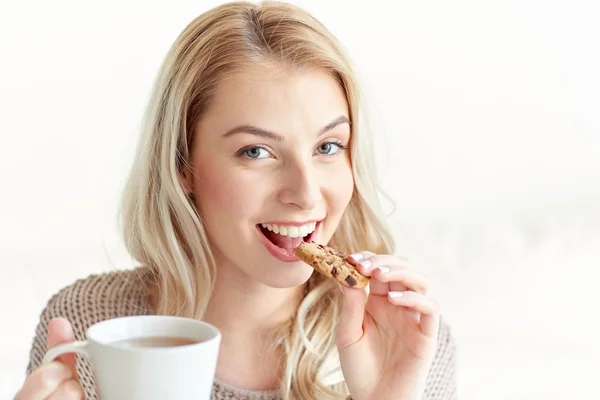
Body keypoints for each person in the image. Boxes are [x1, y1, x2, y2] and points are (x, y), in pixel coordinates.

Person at [16, 1, 457, 399]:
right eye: (256, 152)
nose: (304, 194)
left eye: (327, 147)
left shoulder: (405, 339)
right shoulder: (90, 329)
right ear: (181, 165)